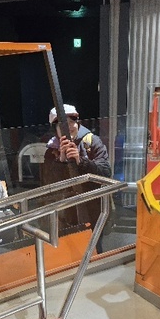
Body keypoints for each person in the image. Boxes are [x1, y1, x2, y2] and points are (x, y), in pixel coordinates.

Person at [41, 104, 111, 253]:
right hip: (65, 212)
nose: (68, 127)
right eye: (62, 124)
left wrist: (81, 161)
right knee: (68, 250)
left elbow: (106, 172)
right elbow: (48, 183)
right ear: (55, 129)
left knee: (94, 248)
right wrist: (60, 160)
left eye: (71, 122)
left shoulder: (92, 142)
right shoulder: (51, 151)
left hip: (92, 209)